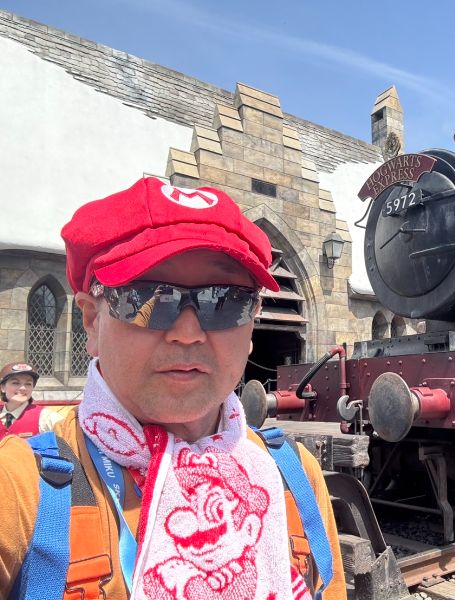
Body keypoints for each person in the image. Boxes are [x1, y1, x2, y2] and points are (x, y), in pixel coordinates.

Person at [0, 177, 345, 599]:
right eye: (148, 298)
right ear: (91, 320)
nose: (188, 332)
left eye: (225, 300)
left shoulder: (295, 476)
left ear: (252, 322)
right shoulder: (20, 489)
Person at [0, 362, 64, 439]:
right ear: (2, 387)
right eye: (16, 383)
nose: (23, 388)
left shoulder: (45, 417)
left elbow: (68, 439)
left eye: (28, 384)